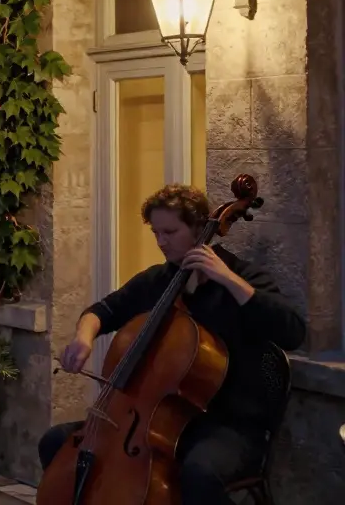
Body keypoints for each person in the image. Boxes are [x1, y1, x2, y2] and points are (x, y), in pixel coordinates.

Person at [38, 184, 306, 505]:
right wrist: (83, 337)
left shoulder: (239, 277)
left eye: (170, 232)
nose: (161, 242)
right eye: (156, 232)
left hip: (228, 424)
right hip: (154, 421)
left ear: (197, 228)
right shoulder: (158, 280)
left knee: (200, 472)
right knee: (56, 442)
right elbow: (102, 311)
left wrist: (229, 280)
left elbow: (293, 332)